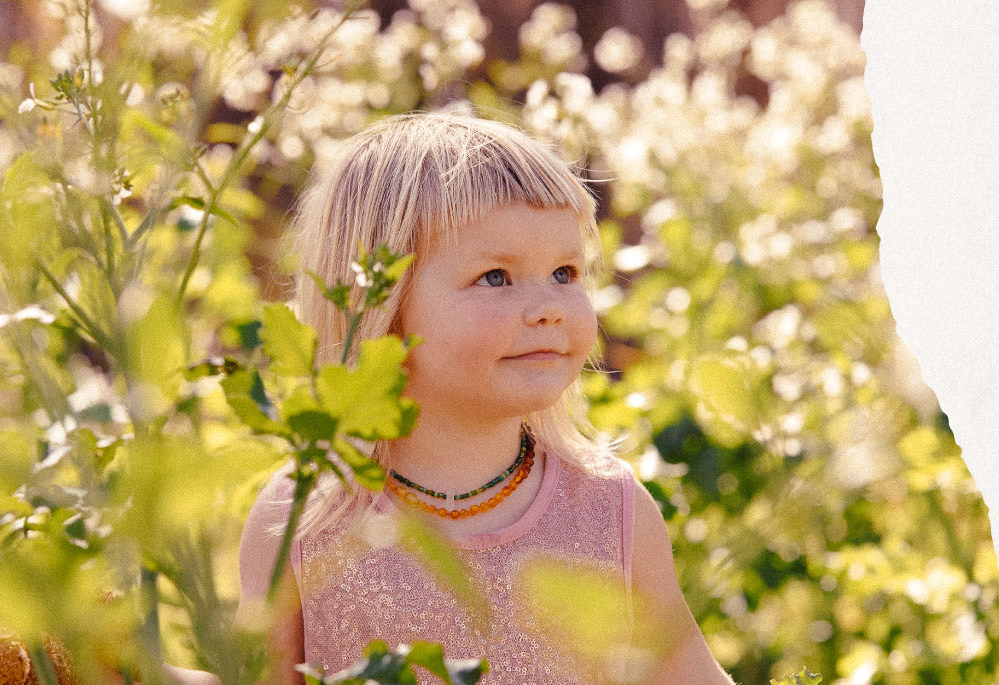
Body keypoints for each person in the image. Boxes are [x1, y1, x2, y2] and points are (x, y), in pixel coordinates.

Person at [234, 112, 733, 684]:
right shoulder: (304, 516)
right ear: (383, 303)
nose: (548, 305)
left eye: (565, 273)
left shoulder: (610, 511)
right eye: (496, 277)